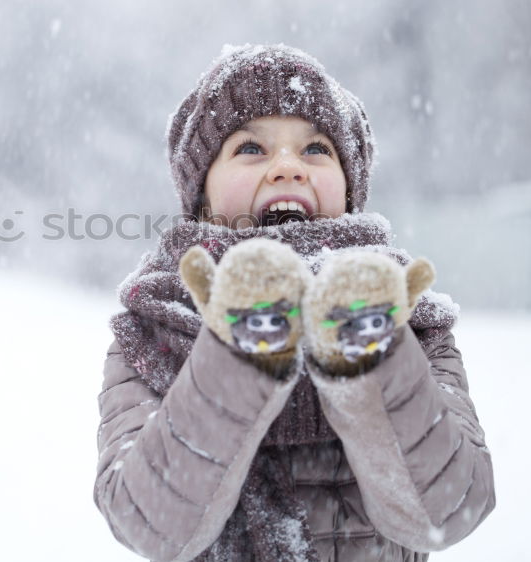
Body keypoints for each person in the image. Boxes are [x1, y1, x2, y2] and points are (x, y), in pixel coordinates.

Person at [93, 43, 495, 561]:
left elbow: (448, 512)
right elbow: (150, 525)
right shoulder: (155, 330)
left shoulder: (409, 322)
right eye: (251, 149)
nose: (288, 167)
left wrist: (370, 347)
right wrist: (240, 346)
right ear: (202, 198)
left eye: (316, 150)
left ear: (351, 190)